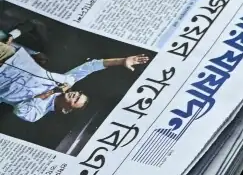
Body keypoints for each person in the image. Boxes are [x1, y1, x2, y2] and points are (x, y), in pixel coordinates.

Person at [0, 35, 150, 123]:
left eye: (76, 100)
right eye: (79, 94)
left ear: (66, 110)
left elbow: (20, 110)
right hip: (10, 57)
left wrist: (50, 93)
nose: (75, 94)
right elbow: (91, 66)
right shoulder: (67, 81)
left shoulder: (37, 113)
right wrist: (121, 61)